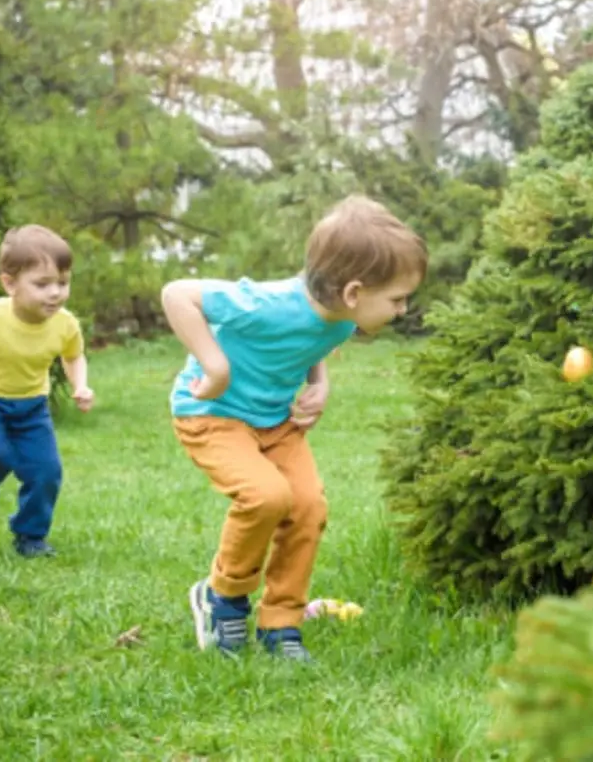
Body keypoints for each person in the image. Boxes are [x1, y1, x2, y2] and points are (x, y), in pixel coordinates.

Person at [162, 195, 427, 662]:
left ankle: (280, 623)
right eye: (398, 299)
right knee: (266, 496)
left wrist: (319, 384)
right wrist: (214, 364)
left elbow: (311, 342)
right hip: (212, 414)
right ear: (353, 292)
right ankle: (221, 597)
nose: (403, 310)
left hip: (275, 422)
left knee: (306, 506)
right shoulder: (266, 304)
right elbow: (177, 294)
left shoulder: (342, 318)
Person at [0, 224, 95, 558]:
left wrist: (80, 384)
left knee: (46, 471)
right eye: (42, 284)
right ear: (9, 283)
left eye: (63, 282)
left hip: (31, 405)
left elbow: (73, 354)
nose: (55, 292)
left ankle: (31, 536)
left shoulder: (65, 322)